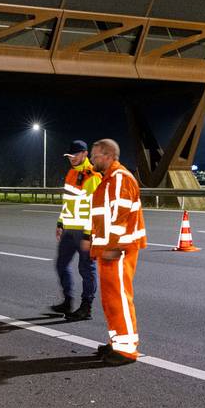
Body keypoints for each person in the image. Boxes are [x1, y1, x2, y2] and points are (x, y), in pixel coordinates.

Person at [82, 139, 146, 366]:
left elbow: (119, 217)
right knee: (110, 299)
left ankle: (127, 350)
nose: (91, 160)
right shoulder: (108, 179)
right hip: (109, 249)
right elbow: (104, 217)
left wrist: (111, 246)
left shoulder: (119, 179)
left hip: (118, 251)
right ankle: (117, 342)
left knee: (119, 298)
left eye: (95, 155)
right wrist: (95, 242)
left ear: (108, 156)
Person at [49, 140, 101, 320]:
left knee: (86, 269)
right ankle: (68, 301)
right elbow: (68, 203)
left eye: (75, 155)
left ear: (85, 154)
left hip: (85, 232)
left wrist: (88, 234)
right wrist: (60, 223)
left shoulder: (92, 176)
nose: (71, 158)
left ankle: (86, 307)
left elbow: (95, 209)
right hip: (69, 230)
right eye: (69, 156)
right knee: (61, 265)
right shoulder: (71, 173)